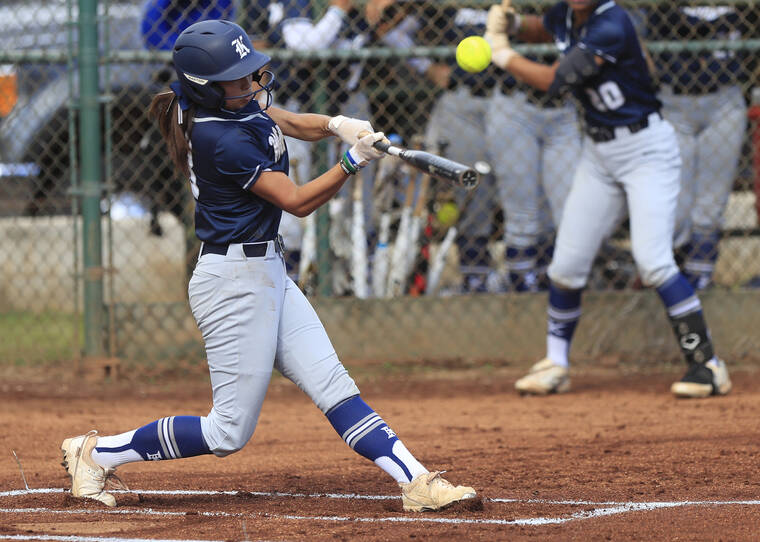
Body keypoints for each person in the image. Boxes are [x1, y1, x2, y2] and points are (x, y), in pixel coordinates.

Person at [59, 20, 475, 513]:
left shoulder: (237, 105)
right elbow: (297, 202)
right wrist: (351, 162)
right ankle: (96, 452)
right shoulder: (219, 139)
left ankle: (416, 482)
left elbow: (290, 121)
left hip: (268, 273)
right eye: (238, 79)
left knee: (333, 385)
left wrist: (339, 124)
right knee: (228, 431)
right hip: (231, 283)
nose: (252, 84)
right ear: (207, 90)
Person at [483, 0, 732, 398]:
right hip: (599, 156)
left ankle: (708, 365)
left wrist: (502, 54)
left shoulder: (613, 24)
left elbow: (555, 80)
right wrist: (513, 23)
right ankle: (556, 363)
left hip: (646, 151)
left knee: (653, 262)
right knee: (565, 266)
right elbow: (545, 29)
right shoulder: (567, 14)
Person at [648, 4, 749, 290]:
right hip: (674, 105)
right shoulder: (662, 9)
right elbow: (679, 23)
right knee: (675, 203)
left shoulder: (743, 9)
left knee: (711, 205)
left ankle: (700, 281)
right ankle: (673, 274)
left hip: (724, 103)